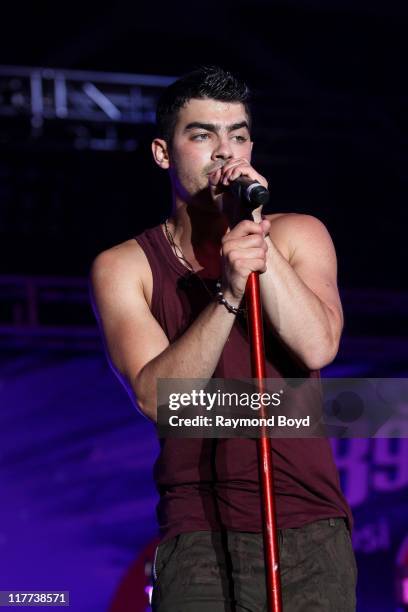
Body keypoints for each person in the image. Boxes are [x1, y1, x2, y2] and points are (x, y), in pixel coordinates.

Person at [90, 66, 357, 611]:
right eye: (202, 135)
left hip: (308, 528)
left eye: (237, 135)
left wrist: (254, 232)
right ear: (164, 153)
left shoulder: (296, 234)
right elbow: (160, 401)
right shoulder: (125, 267)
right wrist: (229, 293)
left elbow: (317, 346)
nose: (224, 152)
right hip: (198, 532)